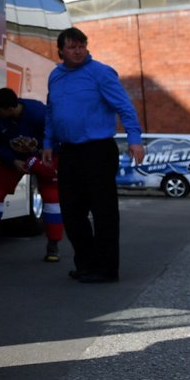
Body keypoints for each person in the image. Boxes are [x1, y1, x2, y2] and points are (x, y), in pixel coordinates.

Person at [42, 27, 144, 284]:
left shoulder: (100, 73)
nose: (78, 52)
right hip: (69, 152)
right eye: (72, 47)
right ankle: (86, 264)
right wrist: (47, 143)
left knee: (103, 212)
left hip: (97, 150)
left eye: (82, 46)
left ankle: (107, 269)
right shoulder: (55, 77)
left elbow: (124, 106)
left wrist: (135, 140)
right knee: (72, 212)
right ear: (61, 51)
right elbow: (52, 112)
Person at [0, 87, 63, 262]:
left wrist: (40, 159)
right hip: (14, 159)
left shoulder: (38, 114)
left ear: (10, 109)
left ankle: (53, 244)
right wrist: (13, 160)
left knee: (51, 196)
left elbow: (56, 137)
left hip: (43, 157)